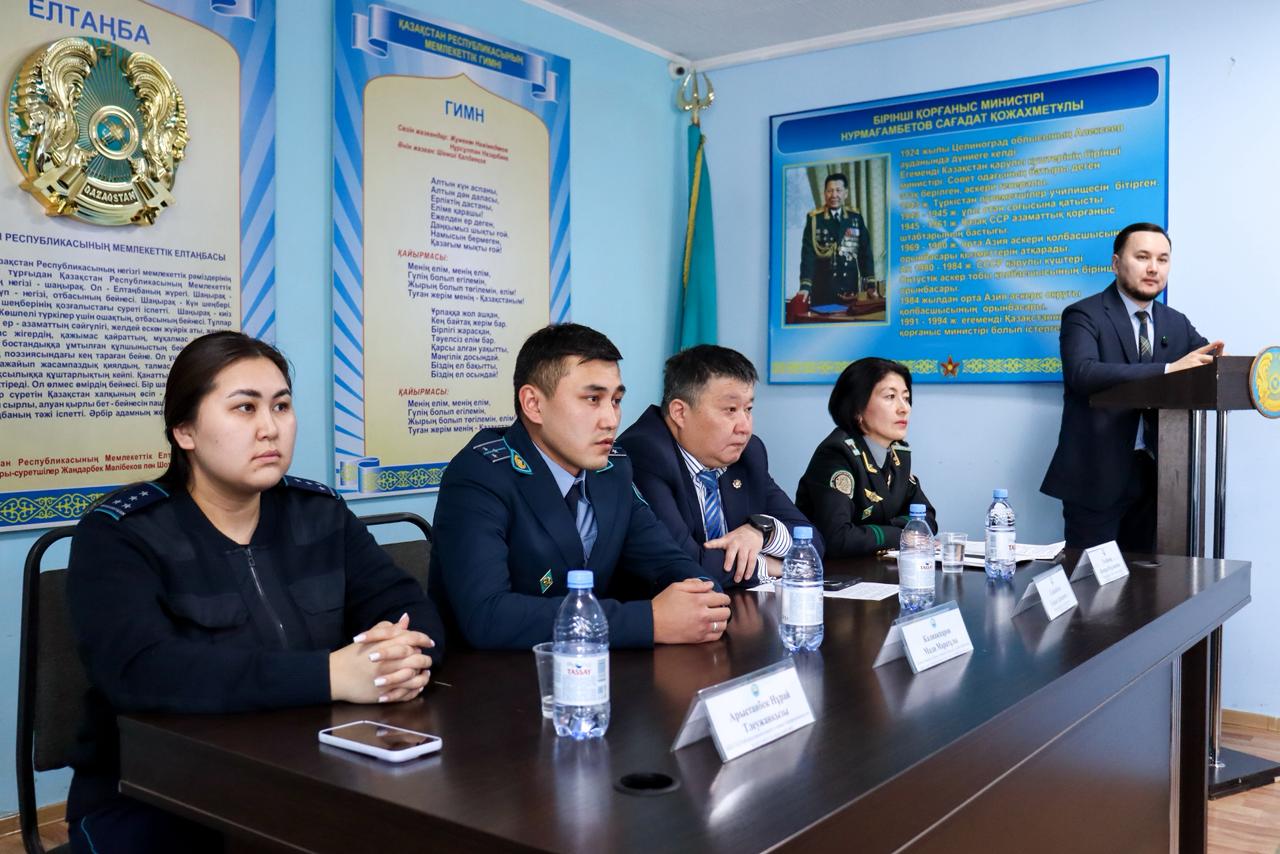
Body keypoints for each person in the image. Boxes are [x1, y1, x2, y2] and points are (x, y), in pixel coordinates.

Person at [66, 331, 443, 854]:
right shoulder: (121, 533)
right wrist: (330, 674)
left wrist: (396, 657)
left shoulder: (319, 513)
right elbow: (140, 670)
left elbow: (411, 609)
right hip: (160, 795)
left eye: (281, 406)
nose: (270, 428)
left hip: (312, 772)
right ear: (185, 431)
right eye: (245, 408)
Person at [429, 323, 731, 650]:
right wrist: (650, 620)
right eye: (592, 399)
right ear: (533, 404)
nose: (611, 420)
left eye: (615, 400)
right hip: (493, 674)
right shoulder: (480, 475)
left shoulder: (612, 470)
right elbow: (488, 616)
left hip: (589, 666)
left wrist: (703, 598)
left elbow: (670, 561)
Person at [1041, 222, 1223, 551]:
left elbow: (1206, 364)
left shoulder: (1175, 322)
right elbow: (1083, 374)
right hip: (1097, 476)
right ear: (1116, 263)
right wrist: (1167, 370)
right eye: (1142, 257)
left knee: (1150, 577)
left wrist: (1233, 367)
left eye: (1163, 259)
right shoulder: (1084, 314)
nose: (1153, 268)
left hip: (1158, 477)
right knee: (1092, 579)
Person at [617, 344, 819, 588]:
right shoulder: (644, 454)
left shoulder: (748, 453)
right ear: (680, 413)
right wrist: (775, 566)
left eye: (748, 409)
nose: (744, 427)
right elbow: (688, 566)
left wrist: (762, 533)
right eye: (730, 410)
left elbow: (811, 540)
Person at [795, 357, 935, 556]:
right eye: (890, 397)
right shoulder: (837, 454)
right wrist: (902, 535)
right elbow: (837, 537)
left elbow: (926, 517)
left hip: (877, 569)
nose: (904, 408)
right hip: (832, 572)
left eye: (905, 397)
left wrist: (891, 529)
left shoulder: (898, 454)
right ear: (857, 409)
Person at [798, 172, 874, 308]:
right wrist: (805, 286)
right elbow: (808, 255)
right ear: (825, 193)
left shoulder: (855, 218)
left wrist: (870, 284)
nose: (834, 195)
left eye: (838, 190)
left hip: (850, 291)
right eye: (830, 191)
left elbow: (865, 252)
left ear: (846, 193)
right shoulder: (815, 219)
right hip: (823, 292)